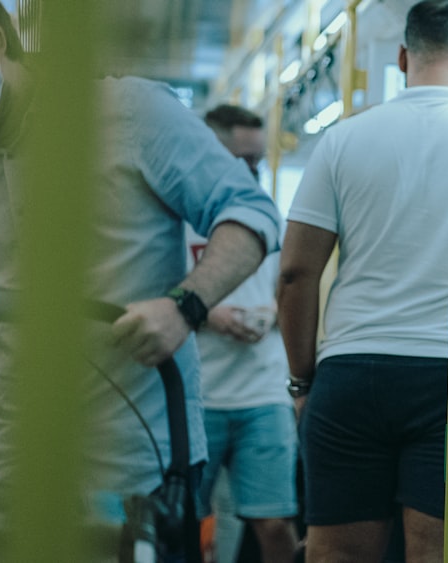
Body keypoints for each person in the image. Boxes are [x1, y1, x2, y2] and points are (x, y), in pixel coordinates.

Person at [0, 0, 281, 557]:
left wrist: (185, 307)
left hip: (135, 467)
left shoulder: (132, 114)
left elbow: (250, 213)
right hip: (6, 466)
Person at [277, 1, 448, 561]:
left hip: (351, 374)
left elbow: (294, 273)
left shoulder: (343, 140)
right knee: (443, 555)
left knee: (336, 552)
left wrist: (302, 383)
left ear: (405, 56)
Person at [191, 104, 298, 562]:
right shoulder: (178, 216)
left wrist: (272, 313)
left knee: (274, 526)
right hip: (198, 396)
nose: (251, 170)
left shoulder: (268, 214)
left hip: (263, 393)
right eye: (242, 158)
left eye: (257, 160)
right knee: (183, 521)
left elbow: (291, 284)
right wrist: (207, 313)